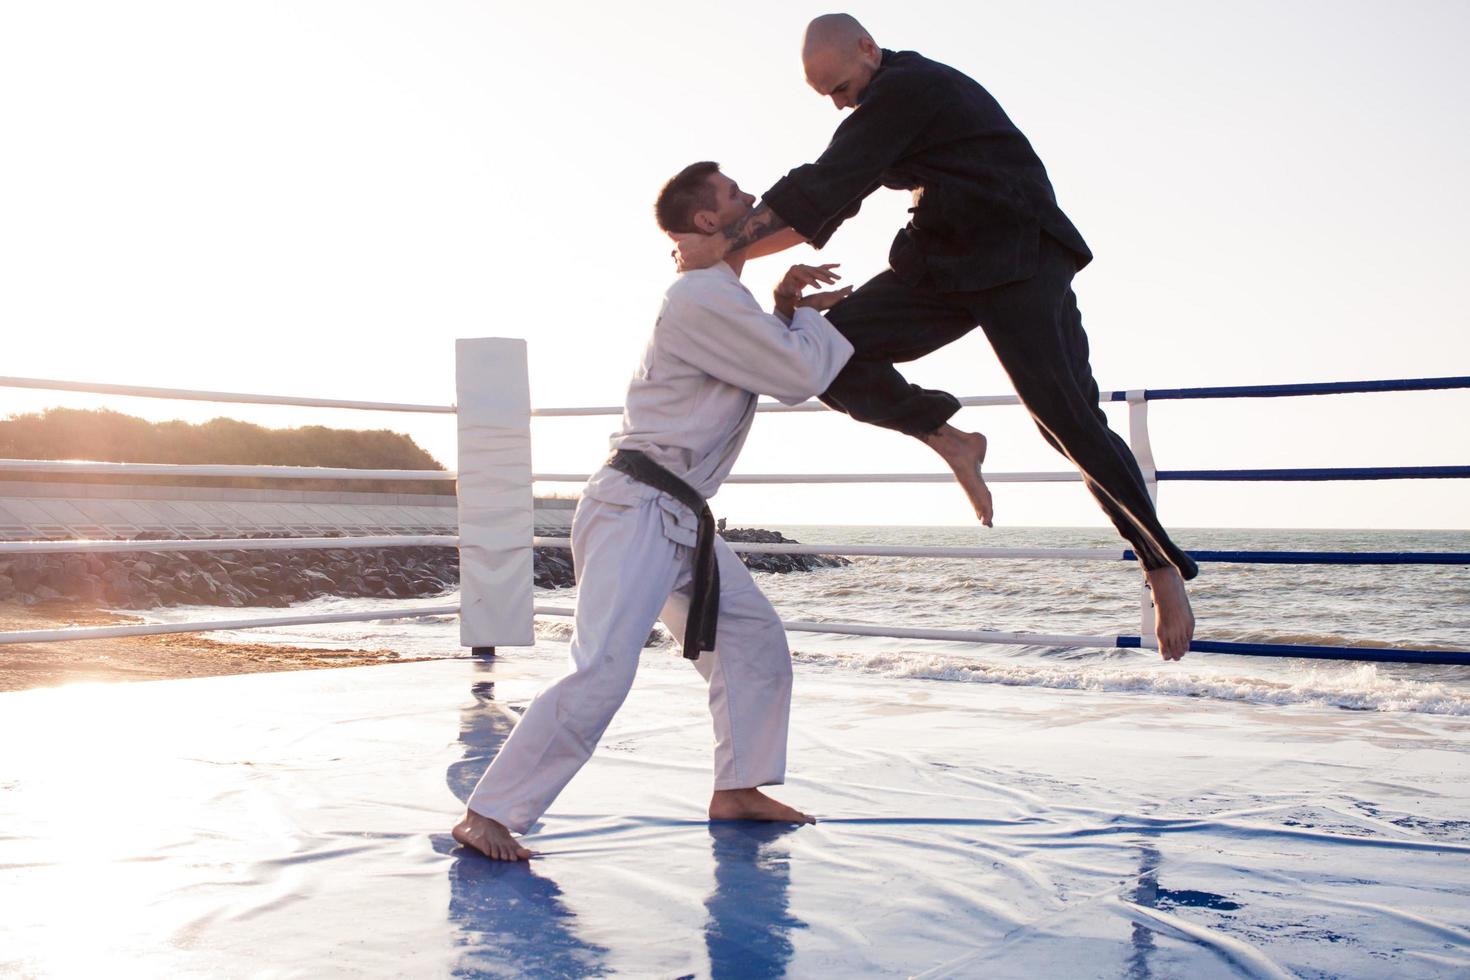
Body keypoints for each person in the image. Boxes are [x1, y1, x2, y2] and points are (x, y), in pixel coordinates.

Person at [674, 14, 1196, 660]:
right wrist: (732, 259)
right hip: (942, 260)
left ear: (869, 48)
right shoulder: (882, 103)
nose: (840, 103)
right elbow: (830, 199)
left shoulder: (909, 88)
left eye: (840, 87)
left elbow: (823, 184)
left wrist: (721, 245)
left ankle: (1160, 566)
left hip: (1019, 255)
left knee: (1065, 418)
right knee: (827, 356)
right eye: (828, 97)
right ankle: (950, 437)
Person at [452, 162, 855, 861]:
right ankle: (488, 812)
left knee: (752, 641)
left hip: (673, 514)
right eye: (736, 195)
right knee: (602, 666)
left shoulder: (720, 297)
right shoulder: (701, 296)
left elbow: (767, 354)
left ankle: (738, 787)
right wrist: (819, 323)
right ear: (707, 221)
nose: (754, 200)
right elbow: (794, 375)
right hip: (636, 509)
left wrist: (788, 308)